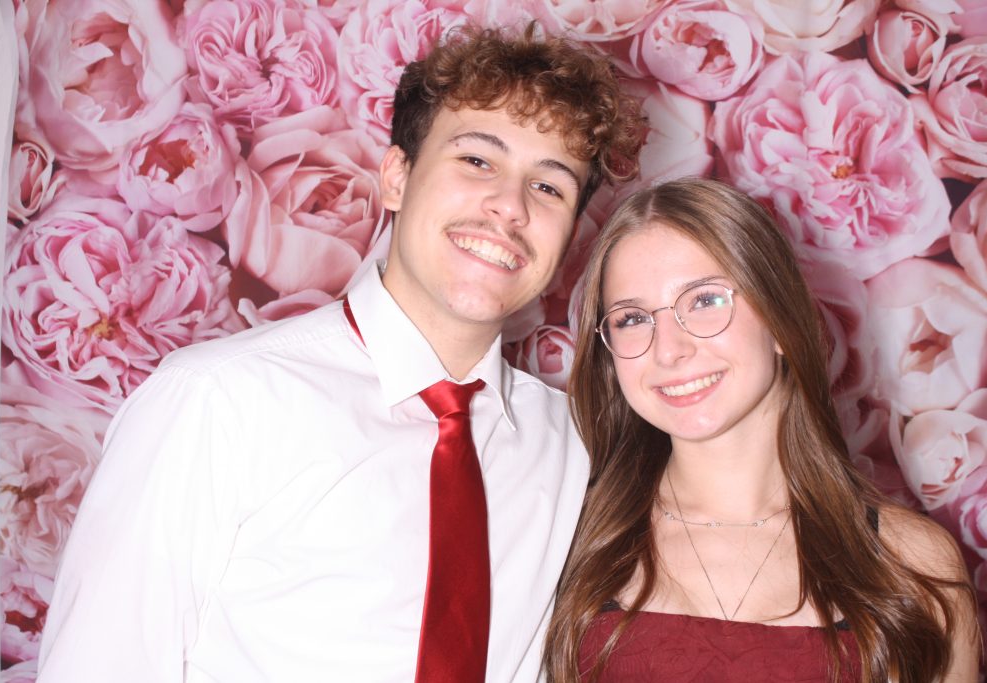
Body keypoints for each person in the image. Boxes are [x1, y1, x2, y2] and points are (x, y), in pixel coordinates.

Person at [37, 25, 644, 682]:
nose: (509, 207)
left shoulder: (569, 446)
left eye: (549, 187)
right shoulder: (216, 404)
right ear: (396, 177)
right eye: (476, 161)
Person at [543, 178, 981, 682]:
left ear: (779, 319)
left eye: (705, 300)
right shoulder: (563, 545)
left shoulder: (916, 564)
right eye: (632, 318)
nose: (668, 350)